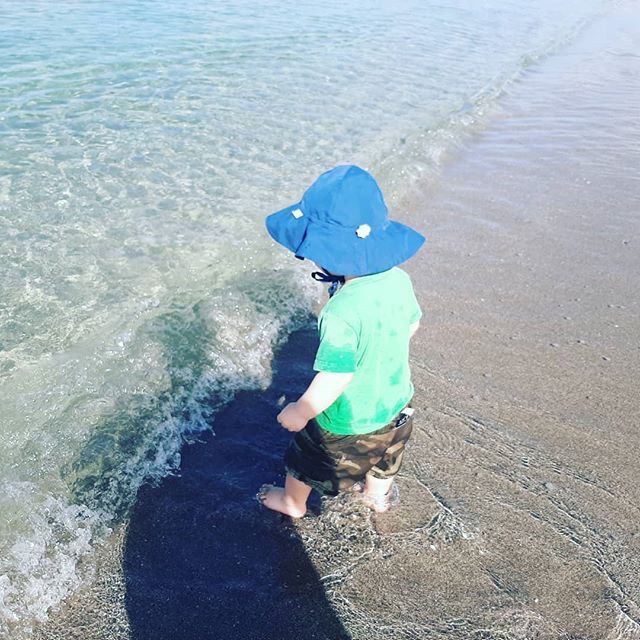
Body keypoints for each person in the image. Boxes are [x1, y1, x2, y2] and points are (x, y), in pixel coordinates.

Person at [259, 165, 425, 518]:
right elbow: (411, 325)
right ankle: (376, 497)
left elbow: (336, 377)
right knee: (386, 457)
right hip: (396, 402)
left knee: (306, 461)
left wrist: (301, 411)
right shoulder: (399, 279)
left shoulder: (340, 312)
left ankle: (292, 503)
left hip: (348, 422)